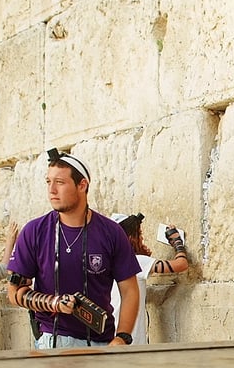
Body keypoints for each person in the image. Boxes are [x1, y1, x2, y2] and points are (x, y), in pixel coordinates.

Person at [7, 149, 140, 348]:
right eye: (48, 182)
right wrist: (54, 303)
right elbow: (14, 292)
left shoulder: (111, 232)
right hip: (51, 341)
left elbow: (130, 290)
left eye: (59, 182)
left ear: (82, 185)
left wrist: (122, 337)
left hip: (102, 342)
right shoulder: (34, 231)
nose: (51, 190)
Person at [109, 213, 190, 344]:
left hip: (112, 339)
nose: (142, 239)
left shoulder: (110, 263)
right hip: (130, 342)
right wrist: (177, 241)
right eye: (139, 235)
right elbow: (181, 265)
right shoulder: (135, 261)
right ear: (131, 238)